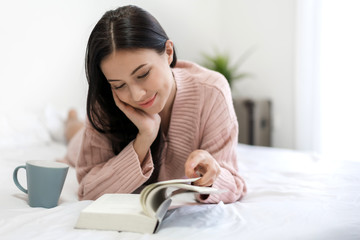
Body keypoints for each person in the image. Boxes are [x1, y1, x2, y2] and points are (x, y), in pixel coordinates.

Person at [62, 5, 246, 203]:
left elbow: (232, 182)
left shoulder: (211, 91)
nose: (137, 95)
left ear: (168, 52)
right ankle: (71, 120)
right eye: (119, 85)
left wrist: (209, 179)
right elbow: (88, 191)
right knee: (75, 138)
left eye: (143, 74)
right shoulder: (106, 101)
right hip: (83, 140)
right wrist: (143, 140)